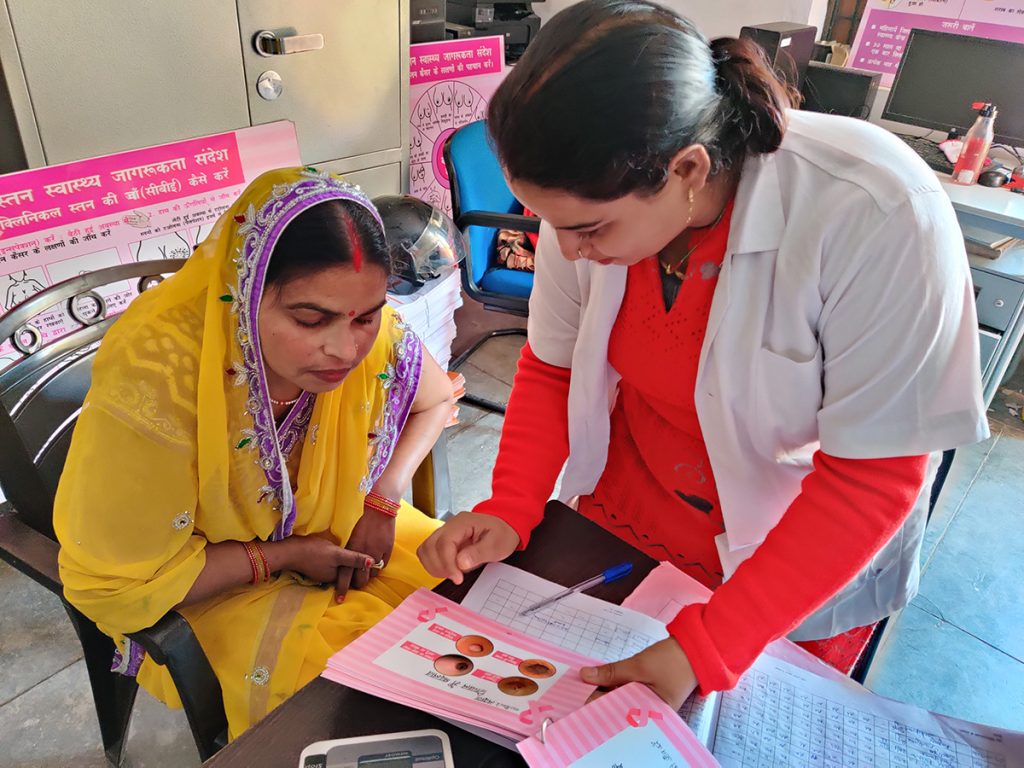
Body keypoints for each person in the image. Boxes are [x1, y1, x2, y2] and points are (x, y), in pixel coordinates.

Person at [418, 0, 987, 708]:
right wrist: (511, 505)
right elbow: (553, 364)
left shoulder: (873, 209)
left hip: (795, 552)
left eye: (589, 229)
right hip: (628, 509)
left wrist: (712, 643)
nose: (568, 252)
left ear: (688, 168)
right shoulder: (590, 209)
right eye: (552, 224)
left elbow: (872, 476)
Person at [55, 167, 455, 737]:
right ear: (245, 292)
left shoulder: (370, 329)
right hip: (209, 580)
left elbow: (435, 402)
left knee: (462, 621)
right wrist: (285, 555)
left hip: (337, 529)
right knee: (363, 699)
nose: (346, 349)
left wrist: (383, 499)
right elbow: (119, 584)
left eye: (366, 317)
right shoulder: (158, 376)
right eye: (310, 319)